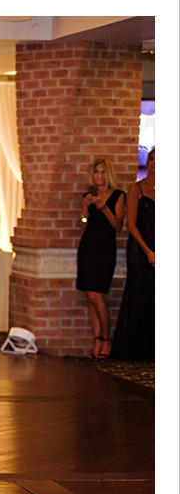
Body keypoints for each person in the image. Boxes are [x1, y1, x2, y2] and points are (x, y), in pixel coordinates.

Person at [75, 157, 126, 359]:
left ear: (109, 174)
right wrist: (85, 209)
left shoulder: (118, 196)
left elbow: (118, 226)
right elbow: (83, 222)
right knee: (89, 294)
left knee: (97, 296)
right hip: (88, 247)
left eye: (103, 172)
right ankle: (97, 339)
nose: (99, 176)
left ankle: (106, 339)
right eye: (96, 172)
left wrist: (104, 207)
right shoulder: (88, 194)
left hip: (105, 249)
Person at [111, 149, 154, 361]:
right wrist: (148, 251)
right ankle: (133, 350)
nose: (156, 163)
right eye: (153, 158)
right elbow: (131, 225)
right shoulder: (137, 187)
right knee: (140, 294)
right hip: (141, 247)